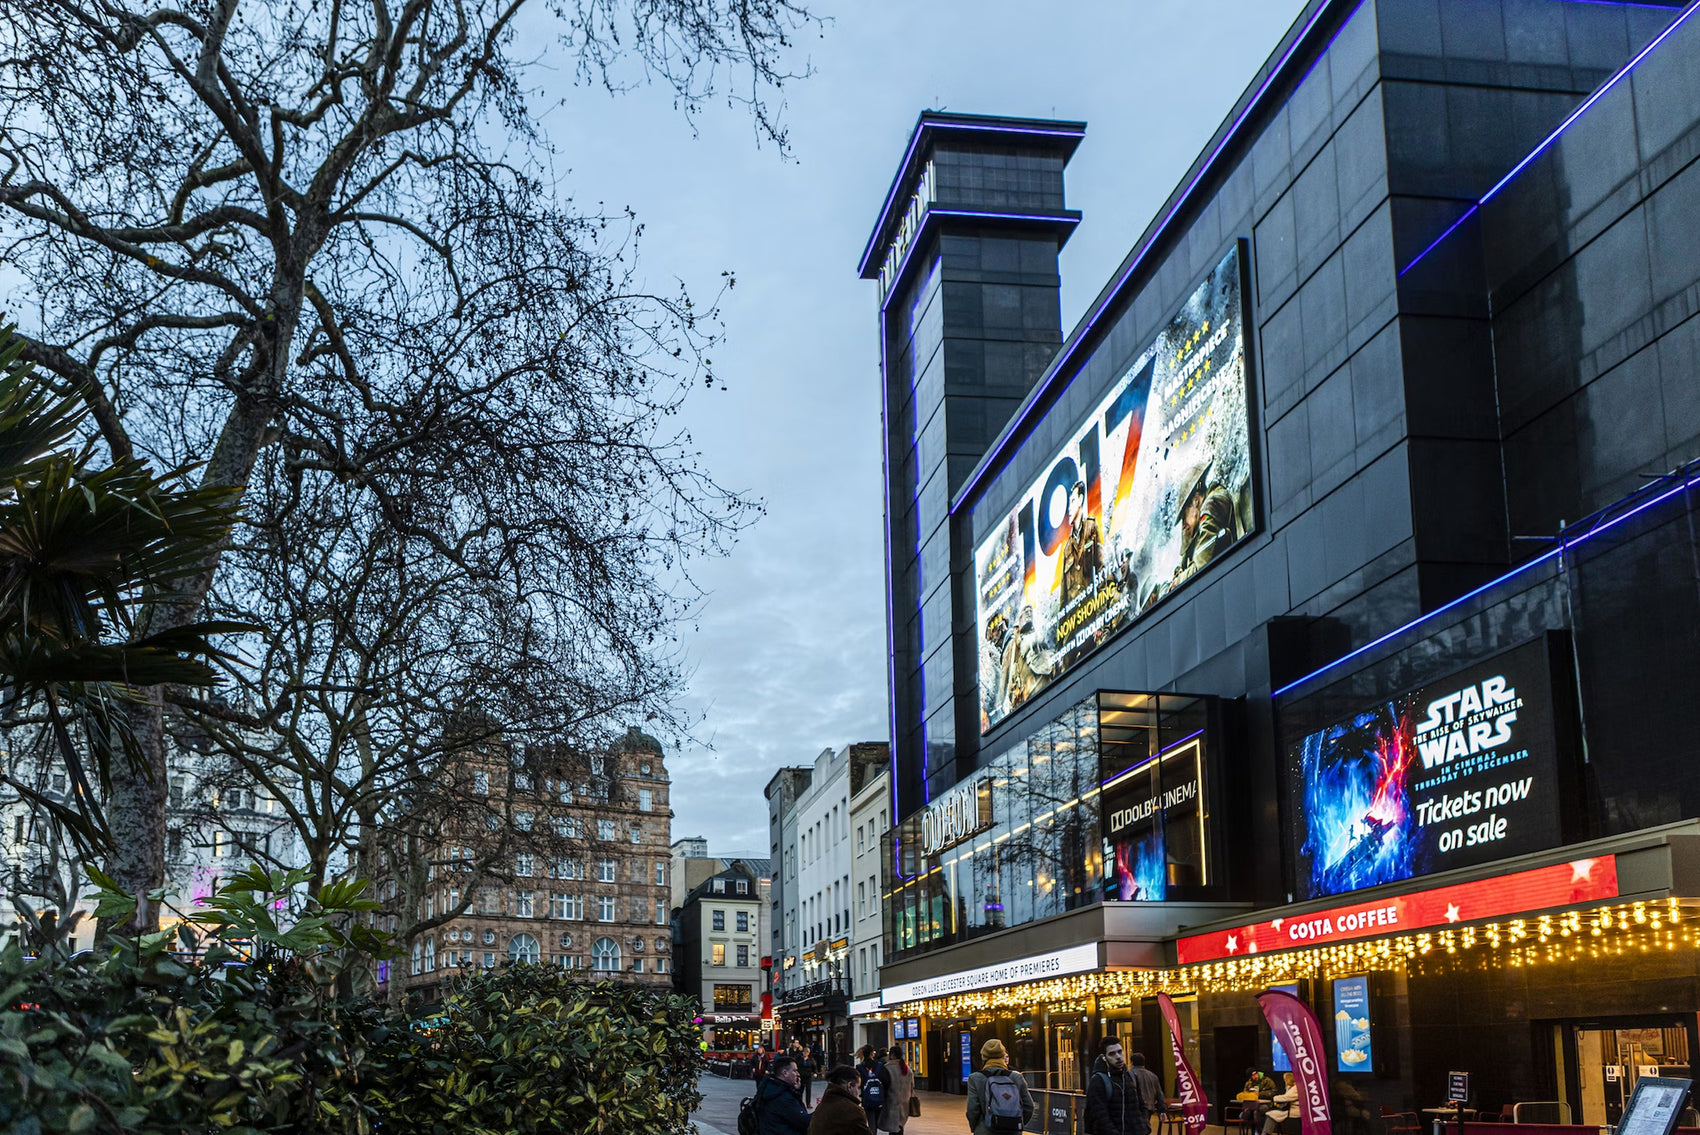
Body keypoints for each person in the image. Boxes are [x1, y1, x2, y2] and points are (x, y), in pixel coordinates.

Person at [966, 1038, 1035, 1134]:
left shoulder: (975, 1078)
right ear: (1003, 1055)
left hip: (985, 1131)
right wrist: (1015, 1123)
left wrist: (976, 1128)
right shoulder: (1016, 1077)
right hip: (1012, 1132)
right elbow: (1029, 1106)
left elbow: (972, 1109)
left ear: (984, 1057)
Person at [1085, 1037, 1146, 1135]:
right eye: (1112, 1054)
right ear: (1104, 1057)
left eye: (1119, 1052)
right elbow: (1100, 1115)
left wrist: (1144, 1127)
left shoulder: (1130, 1077)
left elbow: (1140, 1106)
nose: (1118, 1056)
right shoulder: (1098, 1080)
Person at [757, 1055, 813, 1135]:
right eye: (795, 1071)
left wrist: (796, 1091)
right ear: (785, 1073)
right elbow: (804, 1121)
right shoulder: (783, 1097)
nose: (798, 1074)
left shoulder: (772, 1088)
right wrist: (822, 1110)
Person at [810, 1065, 873, 1135]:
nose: (858, 1092)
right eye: (858, 1087)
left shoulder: (822, 1106)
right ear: (850, 1086)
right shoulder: (852, 1111)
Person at [878, 1043, 915, 1135]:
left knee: (893, 1128)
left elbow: (882, 1085)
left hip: (892, 1102)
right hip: (905, 1102)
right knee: (899, 1127)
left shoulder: (887, 1068)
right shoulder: (907, 1069)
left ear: (892, 1055)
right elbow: (912, 1085)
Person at [855, 1047, 887, 1134]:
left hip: (867, 1099)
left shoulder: (859, 1067)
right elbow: (886, 1081)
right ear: (872, 1054)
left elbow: (857, 1083)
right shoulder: (880, 1066)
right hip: (879, 1098)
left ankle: (873, 1132)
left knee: (871, 1121)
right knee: (877, 1120)